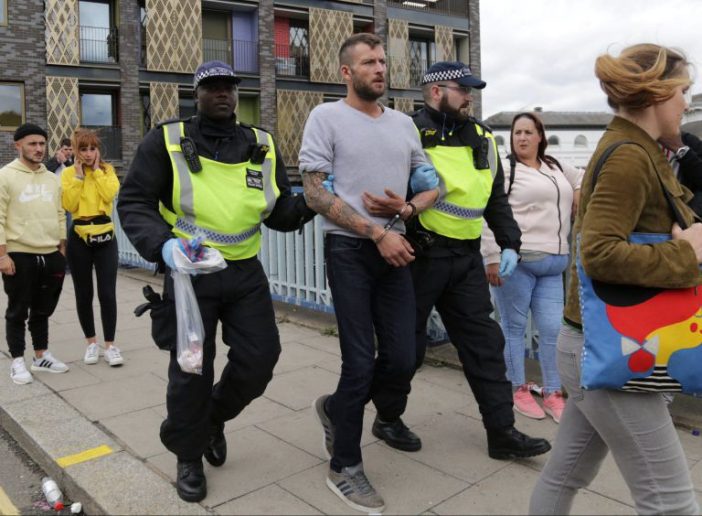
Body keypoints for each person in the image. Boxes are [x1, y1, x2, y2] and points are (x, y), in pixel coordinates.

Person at [117, 60, 316, 503]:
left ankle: (210, 421)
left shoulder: (261, 144)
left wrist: (311, 203)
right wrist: (164, 246)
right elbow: (133, 201)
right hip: (190, 274)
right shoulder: (166, 140)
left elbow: (278, 213)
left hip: (244, 273)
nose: (223, 94)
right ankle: (187, 453)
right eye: (213, 87)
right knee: (191, 369)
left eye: (229, 87)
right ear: (196, 94)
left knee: (260, 360)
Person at [530, 44, 700, 515]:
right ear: (657, 93)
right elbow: (599, 253)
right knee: (671, 502)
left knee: (566, 476)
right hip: (610, 355)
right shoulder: (630, 156)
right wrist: (685, 252)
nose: (687, 101)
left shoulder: (633, 148)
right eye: (684, 90)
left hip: (590, 344)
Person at [362, 62, 552, 465]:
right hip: (417, 255)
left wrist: (509, 243)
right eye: (463, 89)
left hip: (465, 260)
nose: (470, 97)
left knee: (485, 346)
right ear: (435, 92)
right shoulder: (405, 130)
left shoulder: (482, 138)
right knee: (405, 350)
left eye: (472, 90)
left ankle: (502, 433)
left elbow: (494, 201)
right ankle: (388, 417)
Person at [300, 33, 439, 513]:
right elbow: (315, 192)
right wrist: (375, 231)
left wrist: (403, 212)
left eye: (382, 61)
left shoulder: (403, 125)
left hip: (396, 248)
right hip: (349, 251)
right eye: (368, 62)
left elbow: (431, 187)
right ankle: (344, 466)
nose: (380, 69)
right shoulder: (326, 118)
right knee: (358, 362)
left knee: (403, 357)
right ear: (346, 72)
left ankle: (338, 409)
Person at [482, 112, 583, 423]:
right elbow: (488, 210)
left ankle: (553, 391)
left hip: (554, 263)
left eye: (528, 132)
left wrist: (578, 194)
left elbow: (581, 178)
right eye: (517, 133)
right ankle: (517, 388)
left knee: (552, 329)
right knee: (513, 328)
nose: (521, 138)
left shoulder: (555, 166)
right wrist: (491, 256)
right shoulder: (507, 169)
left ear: (541, 136)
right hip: (518, 262)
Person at [0, 123, 68, 384]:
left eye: (42, 144)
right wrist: (2, 256)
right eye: (32, 144)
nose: (39, 149)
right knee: (18, 310)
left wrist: (61, 247)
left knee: (43, 309)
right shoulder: (6, 176)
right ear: (18, 145)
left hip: (50, 253)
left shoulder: (51, 178)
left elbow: (60, 213)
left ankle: (41, 356)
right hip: (20, 254)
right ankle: (17, 360)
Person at [61, 129, 122, 367]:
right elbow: (69, 204)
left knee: (107, 293)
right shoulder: (67, 174)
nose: (88, 154)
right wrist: (77, 177)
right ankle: (91, 343)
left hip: (105, 236)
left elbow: (109, 195)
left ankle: (110, 345)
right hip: (79, 237)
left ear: (98, 150)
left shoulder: (107, 171)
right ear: (75, 151)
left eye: (92, 148)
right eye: (83, 149)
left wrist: (96, 172)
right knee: (83, 293)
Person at [660, 130, 702, 216]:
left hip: (687, 216)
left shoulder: (687, 140)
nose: (680, 116)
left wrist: (680, 150)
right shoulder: (633, 145)